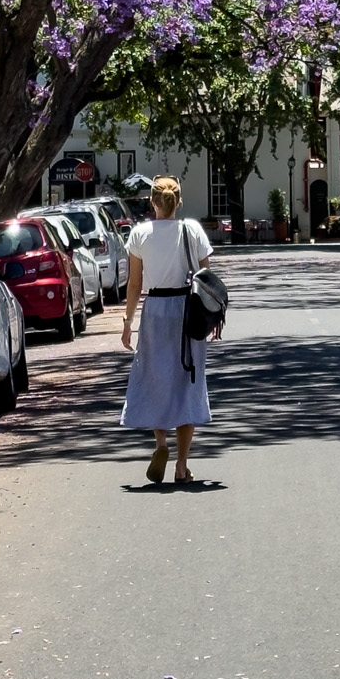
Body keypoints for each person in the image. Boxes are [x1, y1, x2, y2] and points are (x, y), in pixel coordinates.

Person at [120, 176, 218, 486]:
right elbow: (207, 278)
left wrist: (127, 321)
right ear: (179, 202)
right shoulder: (192, 231)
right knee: (187, 381)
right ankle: (181, 465)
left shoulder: (140, 234)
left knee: (155, 379)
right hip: (187, 312)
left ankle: (161, 444)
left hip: (156, 310)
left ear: (152, 203)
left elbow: (135, 284)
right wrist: (213, 321)